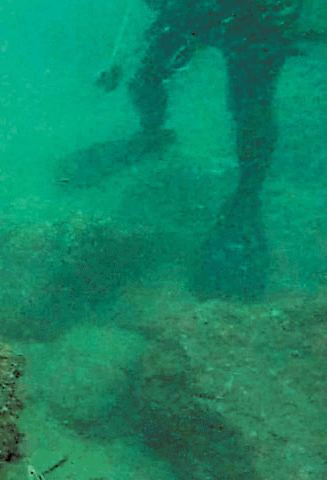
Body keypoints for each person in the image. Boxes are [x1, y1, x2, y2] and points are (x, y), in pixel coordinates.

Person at [62, 0, 318, 300]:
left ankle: (246, 199)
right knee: (145, 82)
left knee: (250, 109)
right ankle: (151, 135)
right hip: (193, 13)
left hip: (253, 17)